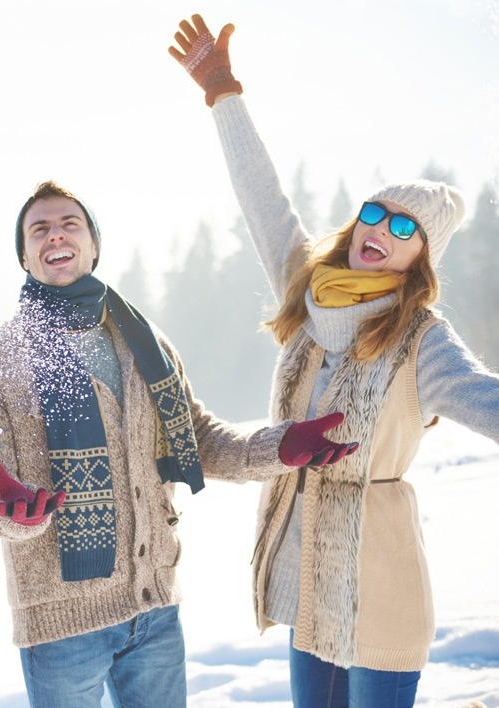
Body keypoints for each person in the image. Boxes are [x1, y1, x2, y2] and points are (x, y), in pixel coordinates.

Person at [169, 14, 499, 707]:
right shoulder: (307, 287)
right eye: (374, 215)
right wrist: (224, 95)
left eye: (404, 227)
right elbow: (263, 198)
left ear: (420, 260)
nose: (381, 229)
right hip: (307, 575)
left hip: (381, 579)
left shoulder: (420, 339)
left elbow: (484, 397)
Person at [0, 179, 359, 707]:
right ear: (25, 256)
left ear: (93, 246)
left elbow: (200, 438)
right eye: (40, 229)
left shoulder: (145, 343)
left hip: (155, 607)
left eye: (70, 224)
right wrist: (5, 507)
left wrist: (278, 448)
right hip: (61, 622)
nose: (56, 235)